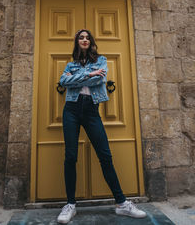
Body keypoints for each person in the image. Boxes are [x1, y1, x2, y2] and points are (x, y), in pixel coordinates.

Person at [57, 29, 147, 224]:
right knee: (70, 156)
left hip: (91, 111)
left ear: (91, 42)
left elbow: (99, 79)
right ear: (77, 41)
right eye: (81, 37)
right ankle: (70, 205)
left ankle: (122, 204)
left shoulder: (101, 60)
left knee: (105, 156)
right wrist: (88, 73)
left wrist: (80, 76)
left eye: (87, 37)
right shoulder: (70, 64)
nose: (84, 40)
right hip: (71, 110)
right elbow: (63, 82)